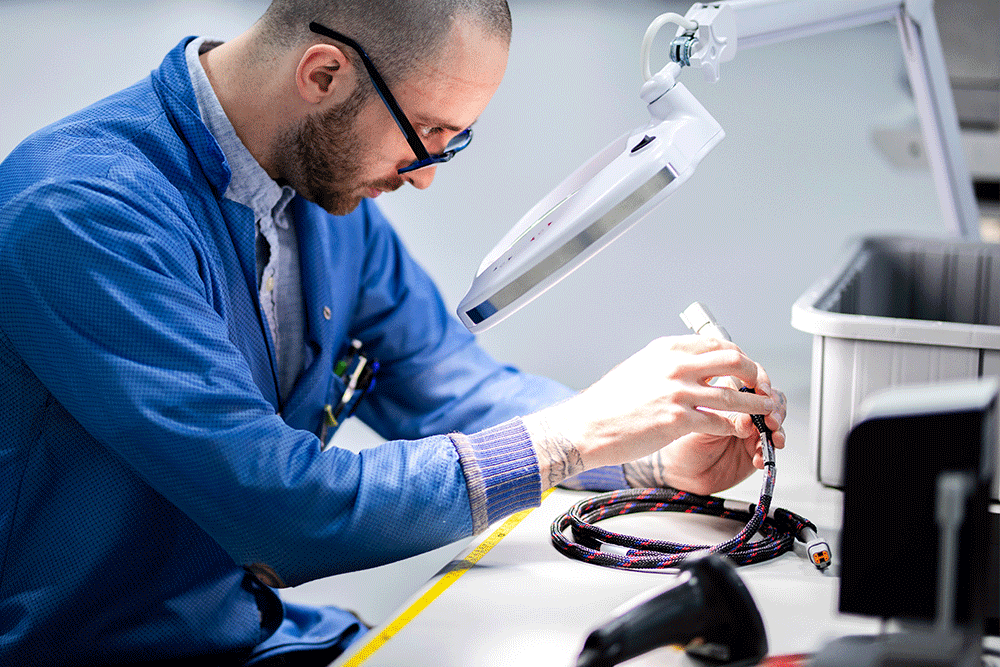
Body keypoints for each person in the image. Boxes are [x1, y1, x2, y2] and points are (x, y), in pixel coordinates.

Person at [0, 1, 787, 664]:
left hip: (254, 636)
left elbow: (449, 384)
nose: (426, 173)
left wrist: (647, 450)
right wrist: (570, 437)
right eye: (425, 132)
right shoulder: (82, 214)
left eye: (455, 140)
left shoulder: (318, 199)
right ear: (322, 75)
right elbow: (279, 510)